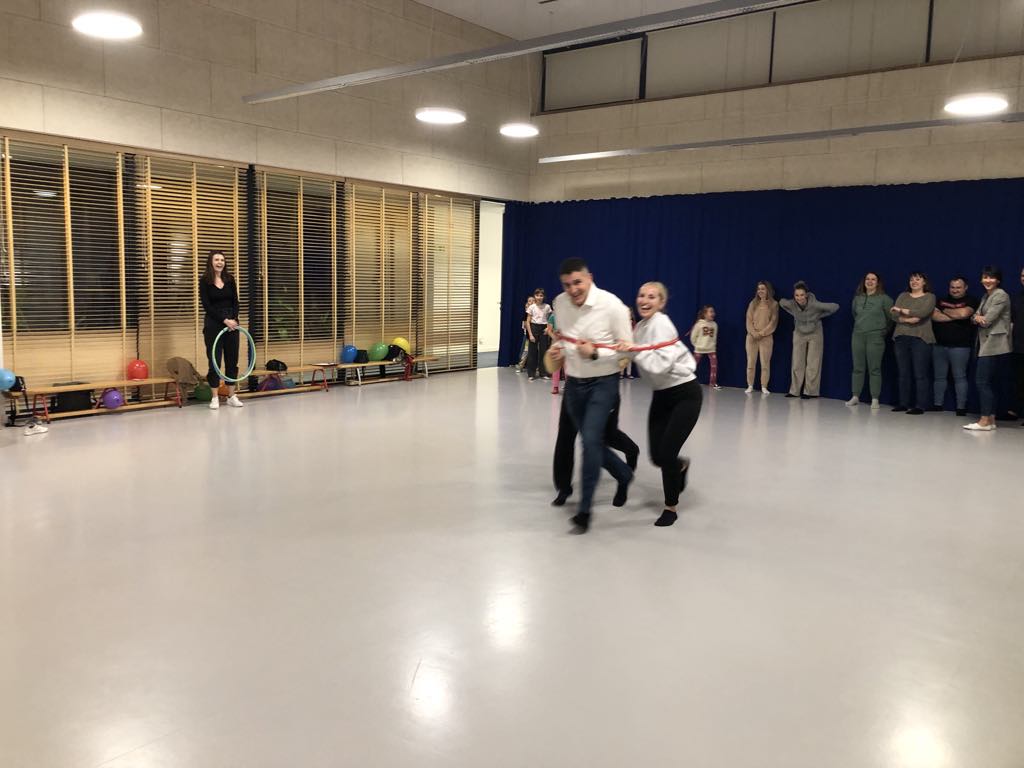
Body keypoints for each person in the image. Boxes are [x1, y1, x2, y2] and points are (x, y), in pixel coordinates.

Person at [548, 258, 634, 534]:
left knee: (589, 442)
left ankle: (584, 512)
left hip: (603, 384)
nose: (572, 289)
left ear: (590, 278)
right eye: (567, 284)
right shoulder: (560, 303)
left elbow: (628, 353)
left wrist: (596, 353)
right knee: (591, 441)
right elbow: (563, 338)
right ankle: (623, 474)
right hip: (574, 384)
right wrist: (557, 349)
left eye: (577, 282)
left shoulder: (613, 306)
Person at [618, 282, 702, 527]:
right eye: (641, 295)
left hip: (685, 394)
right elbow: (627, 354)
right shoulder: (641, 327)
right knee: (657, 456)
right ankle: (681, 466)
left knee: (666, 454)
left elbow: (660, 366)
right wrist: (594, 351)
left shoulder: (662, 324)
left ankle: (670, 507)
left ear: (661, 302)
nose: (644, 300)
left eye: (652, 297)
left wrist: (633, 350)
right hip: (662, 396)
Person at [551, 396, 639, 506]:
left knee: (607, 436)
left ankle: (631, 453)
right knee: (565, 438)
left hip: (603, 391)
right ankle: (564, 487)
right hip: (573, 392)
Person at [964, 266, 1011, 431]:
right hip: (985, 343)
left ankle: (984, 420)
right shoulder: (986, 296)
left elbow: (987, 320)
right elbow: (974, 318)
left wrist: (978, 318)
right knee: (987, 382)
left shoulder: (1001, 295)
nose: (987, 280)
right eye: (985, 277)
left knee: (982, 381)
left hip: (995, 344)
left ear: (998, 280)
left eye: (991, 277)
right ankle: (990, 419)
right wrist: (977, 318)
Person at [779, 281, 839, 399]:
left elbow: (835, 307)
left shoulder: (815, 304)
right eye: (797, 295)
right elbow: (781, 302)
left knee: (813, 363)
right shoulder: (792, 304)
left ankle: (810, 392)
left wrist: (819, 316)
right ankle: (794, 391)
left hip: (815, 334)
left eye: (802, 295)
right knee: (797, 362)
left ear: (806, 295)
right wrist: (793, 313)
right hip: (799, 334)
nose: (799, 298)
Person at [200, 250, 243, 410]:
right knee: (214, 362)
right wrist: (225, 320)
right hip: (214, 325)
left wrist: (234, 320)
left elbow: (235, 302)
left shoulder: (230, 279)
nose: (220, 262)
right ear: (211, 262)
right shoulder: (205, 281)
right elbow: (207, 305)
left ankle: (231, 396)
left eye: (222, 260)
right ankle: (215, 397)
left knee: (232, 361)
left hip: (232, 325)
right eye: (217, 259)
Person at [931, 276, 979, 416]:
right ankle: (937, 405)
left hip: (961, 346)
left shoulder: (971, 300)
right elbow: (934, 316)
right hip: (939, 345)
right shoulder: (940, 299)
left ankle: (961, 408)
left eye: (958, 287)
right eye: (952, 287)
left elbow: (964, 314)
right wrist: (955, 315)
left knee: (960, 377)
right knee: (939, 377)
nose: (955, 290)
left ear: (965, 288)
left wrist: (944, 311)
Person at [890, 271, 936, 415]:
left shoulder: (930, 297)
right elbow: (893, 314)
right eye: (911, 280)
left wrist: (901, 310)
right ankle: (903, 403)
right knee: (903, 372)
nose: (914, 282)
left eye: (917, 279)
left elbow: (922, 313)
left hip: (920, 338)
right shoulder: (903, 296)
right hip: (901, 337)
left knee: (920, 373)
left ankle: (920, 405)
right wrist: (907, 319)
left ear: (924, 282)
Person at [847, 272, 893, 409]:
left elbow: (891, 318)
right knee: (857, 367)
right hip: (858, 335)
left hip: (875, 336)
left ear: (878, 283)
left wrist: (882, 331)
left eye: (873, 279)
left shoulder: (885, 299)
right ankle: (855, 396)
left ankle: (875, 398)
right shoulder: (857, 299)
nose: (870, 281)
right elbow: (855, 314)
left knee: (875, 368)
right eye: (867, 279)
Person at [744, 281, 778, 395]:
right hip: (752, 337)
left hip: (766, 338)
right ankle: (750, 385)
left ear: (768, 290)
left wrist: (762, 333)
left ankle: (764, 386)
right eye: (759, 289)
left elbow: (773, 322)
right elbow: (748, 320)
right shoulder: (753, 303)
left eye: (763, 289)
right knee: (750, 363)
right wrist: (753, 333)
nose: (760, 291)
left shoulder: (774, 304)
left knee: (765, 364)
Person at [689, 305, 720, 390]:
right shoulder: (699, 324)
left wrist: (712, 345)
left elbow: (714, 337)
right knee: (693, 365)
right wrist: (697, 345)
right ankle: (687, 382)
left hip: (711, 349)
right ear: (705, 314)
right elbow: (693, 337)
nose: (713, 313)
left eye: (713, 312)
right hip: (699, 349)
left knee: (714, 366)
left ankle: (712, 383)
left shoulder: (714, 325)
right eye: (711, 311)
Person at [524, 288, 552, 381]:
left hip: (543, 328)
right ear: (534, 296)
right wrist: (530, 334)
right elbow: (528, 322)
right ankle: (531, 373)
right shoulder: (531, 307)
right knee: (532, 351)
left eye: (541, 295)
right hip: (534, 327)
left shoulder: (547, 306)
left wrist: (548, 328)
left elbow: (550, 319)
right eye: (537, 295)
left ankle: (543, 373)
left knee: (543, 351)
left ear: (543, 297)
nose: (539, 297)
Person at [1011, 266, 1024, 423]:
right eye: (1022, 275)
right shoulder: (1017, 298)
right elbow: (1012, 321)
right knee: (1017, 381)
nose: (1023, 278)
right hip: (1018, 345)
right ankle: (1015, 410)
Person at [515, 296, 534, 372]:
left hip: (537, 335)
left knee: (537, 352)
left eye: (533, 301)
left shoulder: (537, 312)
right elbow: (525, 326)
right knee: (526, 351)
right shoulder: (526, 314)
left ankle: (536, 368)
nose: (531, 302)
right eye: (529, 301)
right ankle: (521, 366)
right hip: (528, 336)